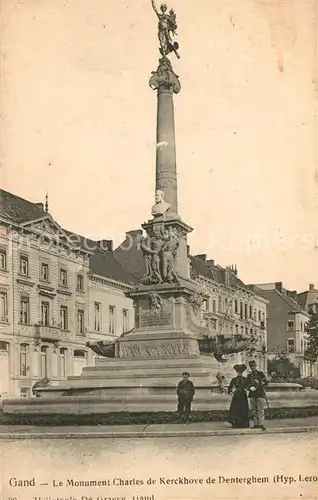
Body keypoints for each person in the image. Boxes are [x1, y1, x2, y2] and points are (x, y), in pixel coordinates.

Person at [246, 360, 268, 430]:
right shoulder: (249, 376)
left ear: (256, 366)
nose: (252, 367)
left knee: (260, 410)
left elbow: (266, 383)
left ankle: (261, 424)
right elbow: (246, 385)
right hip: (252, 394)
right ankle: (256, 424)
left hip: (260, 394)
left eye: (253, 366)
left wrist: (257, 387)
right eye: (251, 366)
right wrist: (250, 388)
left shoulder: (260, 374)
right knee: (254, 410)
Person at [227, 364, 249, 428]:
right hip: (236, 396)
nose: (239, 373)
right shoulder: (234, 379)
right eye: (238, 372)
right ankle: (236, 423)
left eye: (241, 372)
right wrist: (232, 393)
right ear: (236, 372)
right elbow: (229, 389)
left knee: (243, 409)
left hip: (243, 395)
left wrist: (247, 389)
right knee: (235, 409)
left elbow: (248, 387)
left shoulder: (245, 379)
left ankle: (244, 423)